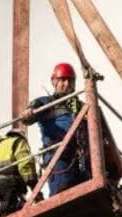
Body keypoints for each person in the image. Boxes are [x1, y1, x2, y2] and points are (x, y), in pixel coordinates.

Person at [23, 62, 91, 196]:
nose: (66, 84)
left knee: (88, 194)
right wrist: (28, 112)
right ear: (54, 82)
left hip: (81, 159)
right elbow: (28, 117)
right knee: (62, 193)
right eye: (63, 80)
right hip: (58, 157)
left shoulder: (81, 106)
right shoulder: (46, 102)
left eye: (70, 80)